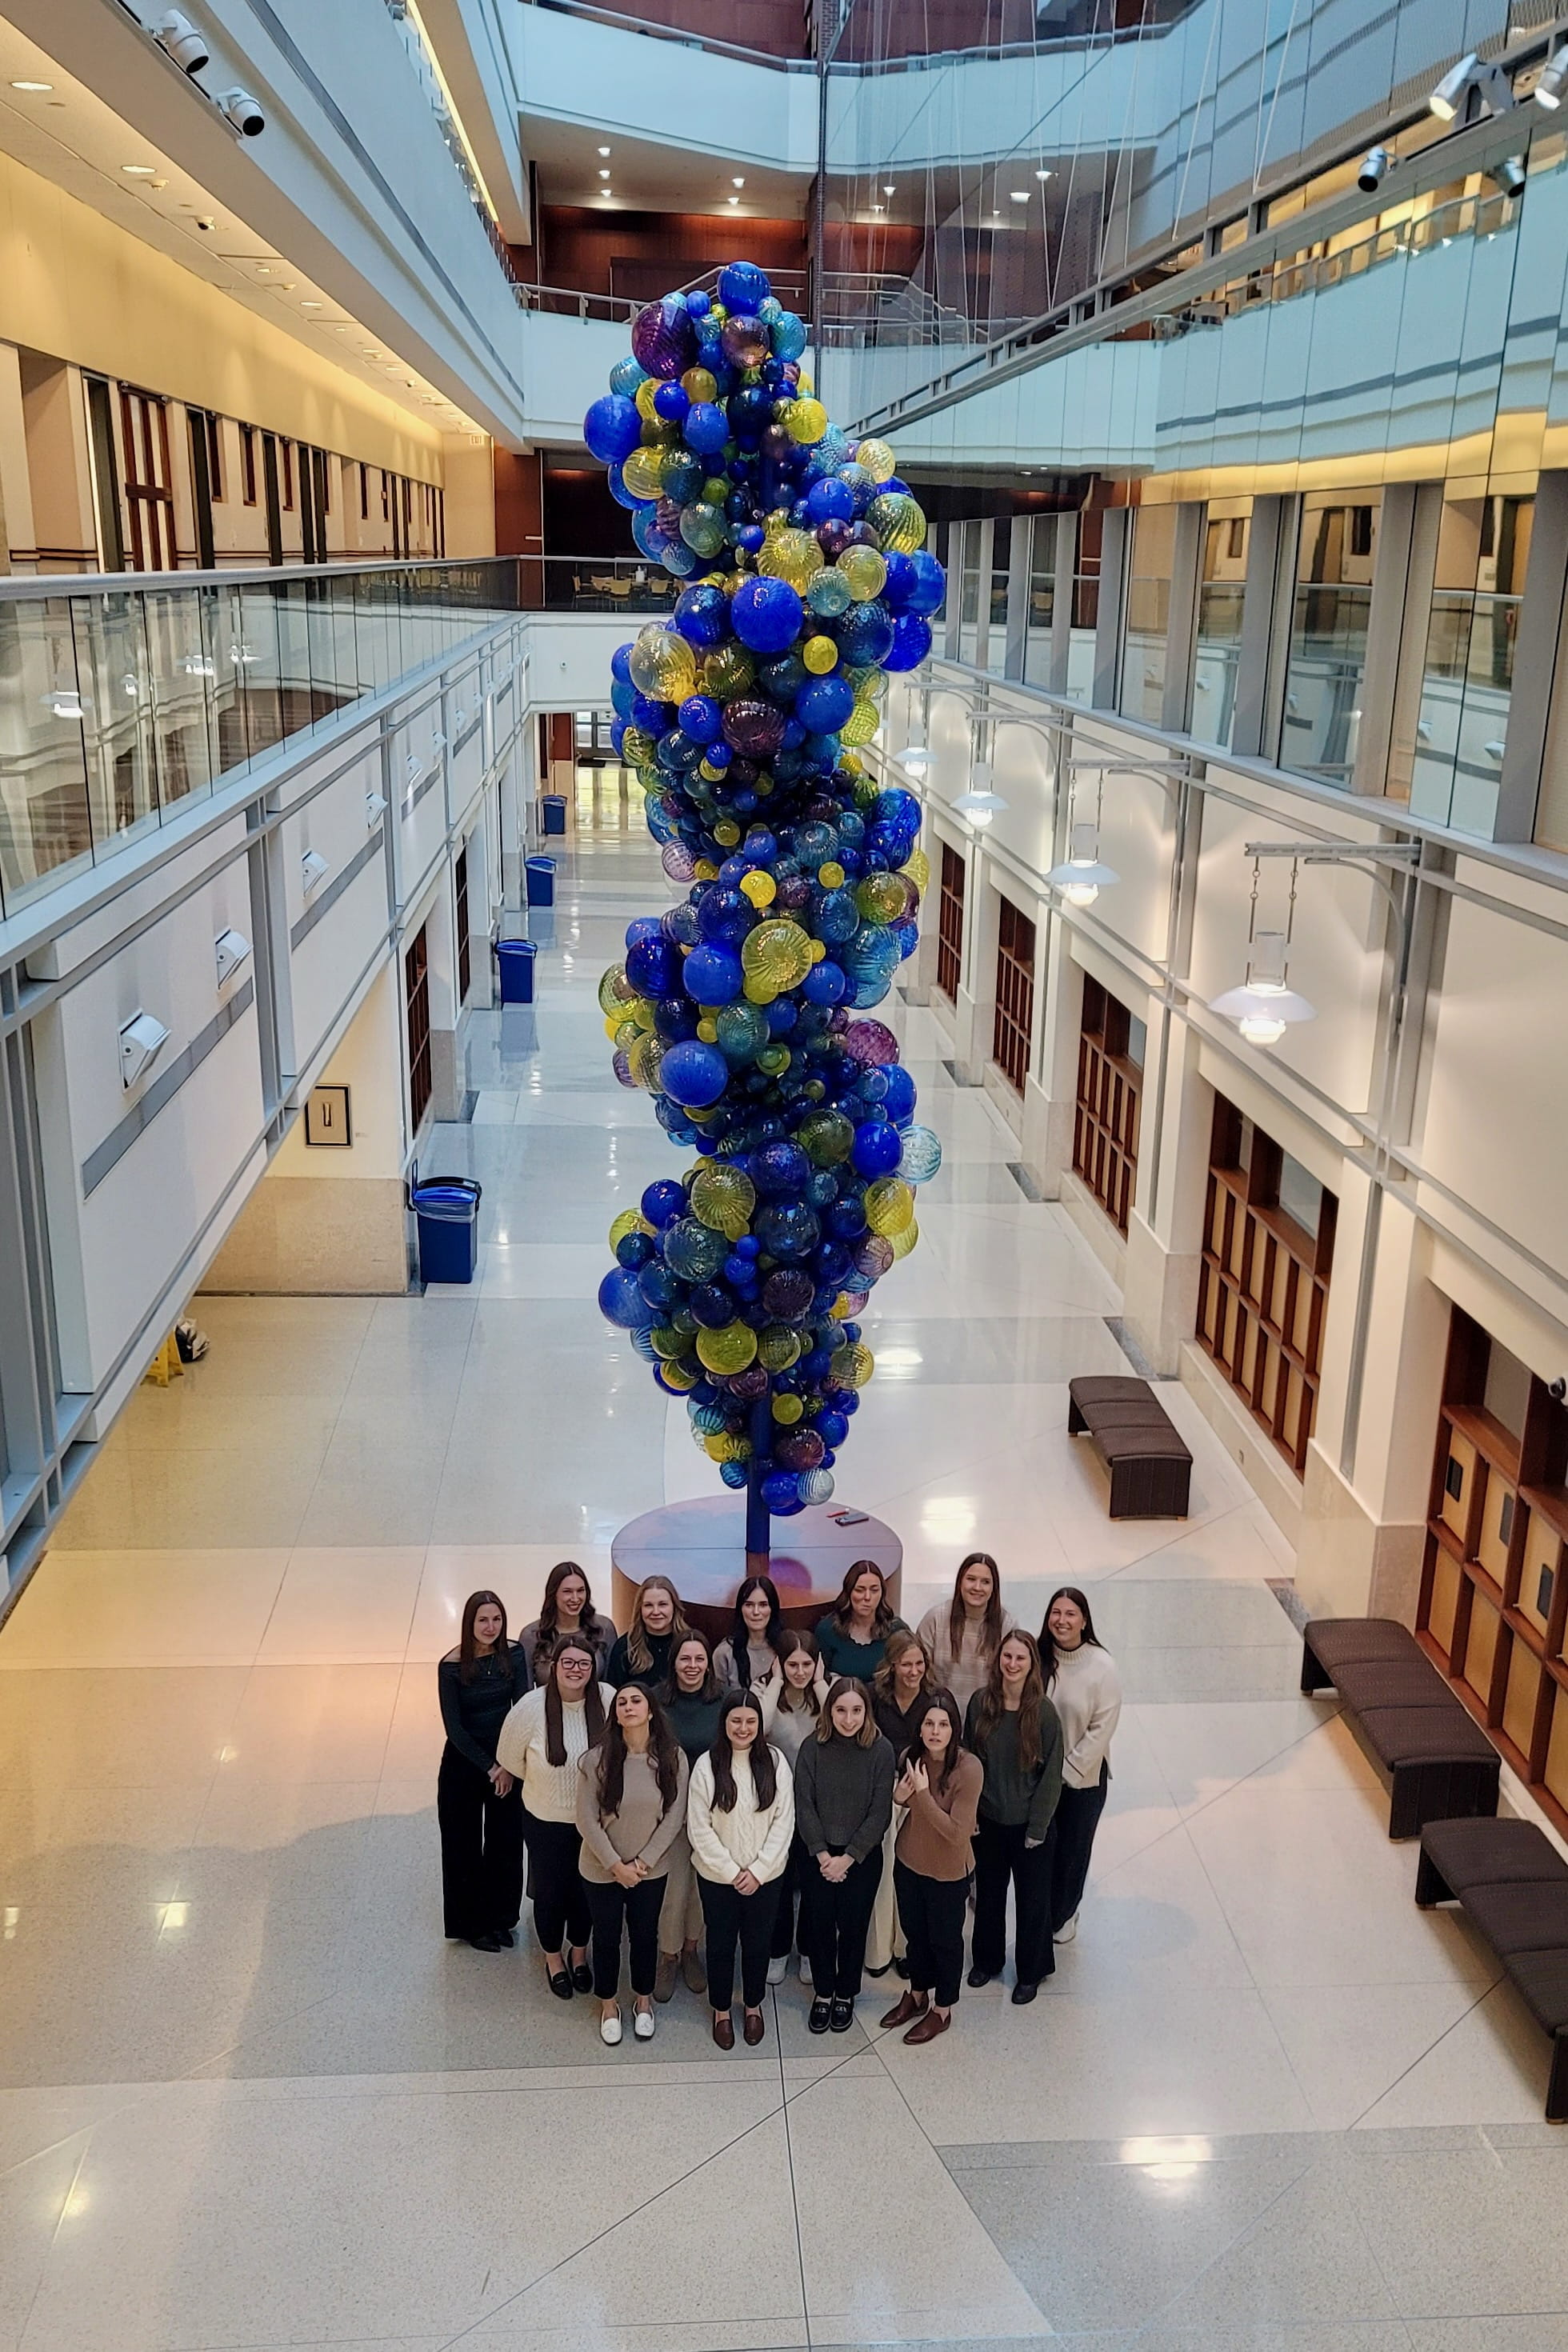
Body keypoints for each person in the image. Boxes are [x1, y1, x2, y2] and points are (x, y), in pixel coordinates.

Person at [496, 1636, 613, 1998]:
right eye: (568, 1663)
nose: (576, 1670)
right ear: (554, 1667)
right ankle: (553, 1958)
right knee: (550, 1893)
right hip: (546, 1821)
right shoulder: (531, 1707)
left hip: (593, 1821)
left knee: (586, 1892)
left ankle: (579, 1954)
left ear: (593, 1669)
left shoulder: (608, 1699)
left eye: (584, 1664)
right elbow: (510, 1758)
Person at [576, 1683, 688, 2045]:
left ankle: (643, 2001)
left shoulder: (672, 1758)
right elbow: (586, 1819)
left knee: (645, 1936)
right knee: (606, 1937)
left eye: (636, 1701)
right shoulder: (596, 1760)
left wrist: (642, 1863)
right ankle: (609, 2006)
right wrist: (615, 1865)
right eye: (621, 1702)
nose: (628, 1706)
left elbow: (674, 1817)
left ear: (651, 1711)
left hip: (649, 1871)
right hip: (601, 1869)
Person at [686, 1689, 794, 2048]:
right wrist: (732, 1872)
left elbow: (784, 1821)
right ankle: (720, 2009)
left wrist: (759, 1870)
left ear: (760, 1725)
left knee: (756, 1943)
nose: (744, 1728)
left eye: (751, 1722)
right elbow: (698, 1827)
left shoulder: (776, 1762)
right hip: (718, 1878)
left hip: (766, 1877)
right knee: (719, 1943)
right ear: (725, 1723)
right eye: (737, 1721)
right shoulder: (707, 1764)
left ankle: (753, 2006)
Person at [964, 1630, 1064, 2005]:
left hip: (1030, 1827)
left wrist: (1038, 1826)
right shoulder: (980, 1704)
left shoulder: (1044, 1713)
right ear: (998, 1660)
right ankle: (987, 1961)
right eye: (1007, 1656)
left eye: (1021, 1658)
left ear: (1031, 1665)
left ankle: (1031, 1971)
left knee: (1032, 1900)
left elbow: (1052, 1773)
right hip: (988, 1820)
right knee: (988, 1896)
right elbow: (968, 1762)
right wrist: (970, 1813)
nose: (1012, 1664)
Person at [881, 1690, 983, 2045]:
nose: (935, 1732)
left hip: (948, 1872)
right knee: (915, 1935)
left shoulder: (969, 1768)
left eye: (943, 1724)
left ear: (955, 1728)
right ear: (919, 1728)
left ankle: (943, 2009)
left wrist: (921, 1795)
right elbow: (904, 1802)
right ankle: (918, 1992)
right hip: (909, 1861)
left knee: (946, 1942)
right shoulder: (912, 1757)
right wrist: (900, 1797)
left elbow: (957, 1833)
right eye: (928, 1723)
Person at [793, 1676, 894, 2032]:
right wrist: (823, 1856)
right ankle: (823, 1993)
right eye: (840, 1710)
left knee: (853, 1928)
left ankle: (846, 1993)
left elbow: (880, 1812)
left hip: (861, 1858)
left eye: (856, 1710)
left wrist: (848, 1858)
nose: (848, 1719)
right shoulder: (812, 1748)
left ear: (866, 1712)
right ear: (829, 1711)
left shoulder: (881, 1751)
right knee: (819, 1926)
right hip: (817, 1855)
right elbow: (804, 1806)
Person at [437, 1590, 529, 1952]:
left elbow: (522, 1708)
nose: (491, 1627)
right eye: (483, 1620)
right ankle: (472, 1926)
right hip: (465, 1764)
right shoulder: (451, 1666)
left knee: (506, 1843)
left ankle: (500, 1918)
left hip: (508, 1760)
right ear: (469, 1624)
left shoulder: (514, 1654)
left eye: (496, 1619)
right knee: (463, 1846)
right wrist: (492, 1767)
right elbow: (454, 1729)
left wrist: (508, 1763)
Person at [1039, 1586, 1122, 1946]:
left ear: (1084, 1620)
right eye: (1056, 1613)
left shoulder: (1102, 1666)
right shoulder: (1038, 1659)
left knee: (1073, 1851)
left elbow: (1102, 1729)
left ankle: (1065, 1915)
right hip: (1041, 1779)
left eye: (1071, 1614)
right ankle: (1043, 1912)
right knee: (1043, 1850)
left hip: (1083, 1781)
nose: (1062, 1620)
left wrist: (1068, 1773)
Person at [654, 1631, 726, 2002]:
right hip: (668, 1809)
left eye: (700, 1659)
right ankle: (667, 1955)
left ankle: (691, 1950)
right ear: (674, 1663)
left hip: (714, 1810)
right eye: (685, 1659)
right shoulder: (656, 1700)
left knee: (702, 1885)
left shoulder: (723, 1700)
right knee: (673, 1886)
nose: (693, 1667)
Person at [758, 1630, 828, 1984]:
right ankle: (778, 1951)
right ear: (780, 1665)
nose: (800, 1671)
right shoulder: (764, 1692)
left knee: (814, 1884)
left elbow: (841, 1725)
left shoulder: (825, 1693)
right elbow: (761, 1727)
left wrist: (819, 1684)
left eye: (806, 1664)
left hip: (818, 1806)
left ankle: (809, 1952)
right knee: (779, 1883)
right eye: (792, 1664)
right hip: (776, 1805)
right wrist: (774, 1684)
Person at [866, 1630, 937, 1976]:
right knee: (883, 1872)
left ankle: (906, 1948)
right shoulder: (873, 1697)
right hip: (882, 1790)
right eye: (906, 1664)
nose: (913, 1671)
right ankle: (878, 1952)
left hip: (922, 1791)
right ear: (892, 1666)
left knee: (911, 1874)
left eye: (919, 1663)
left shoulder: (936, 1699)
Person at [915, 1553, 1015, 1715]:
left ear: (994, 1588)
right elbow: (918, 1673)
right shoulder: (935, 1619)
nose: (977, 1587)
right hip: (939, 1720)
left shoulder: (1006, 1625)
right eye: (971, 1579)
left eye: (985, 1582)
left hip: (987, 1719)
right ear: (960, 1581)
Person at [518, 1560, 614, 1681]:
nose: (575, 1598)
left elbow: (611, 1685)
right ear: (554, 1594)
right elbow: (526, 1689)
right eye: (567, 1592)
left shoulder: (604, 1628)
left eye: (580, 1591)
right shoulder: (531, 1635)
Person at [814, 1559, 907, 1681]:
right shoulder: (827, 1630)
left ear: (882, 1593)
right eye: (860, 1590)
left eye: (874, 1590)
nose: (867, 1597)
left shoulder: (897, 1630)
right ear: (849, 1592)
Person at [606, 1574, 690, 1691]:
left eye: (662, 1604)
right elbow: (613, 1693)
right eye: (648, 1605)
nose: (656, 1612)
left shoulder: (690, 1643)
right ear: (640, 1609)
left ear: (674, 1607)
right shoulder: (624, 1647)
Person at [713, 1574, 786, 1690]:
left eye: (763, 1605)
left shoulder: (786, 1648)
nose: (756, 1612)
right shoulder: (724, 1653)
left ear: (772, 1608)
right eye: (749, 1605)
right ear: (741, 1609)